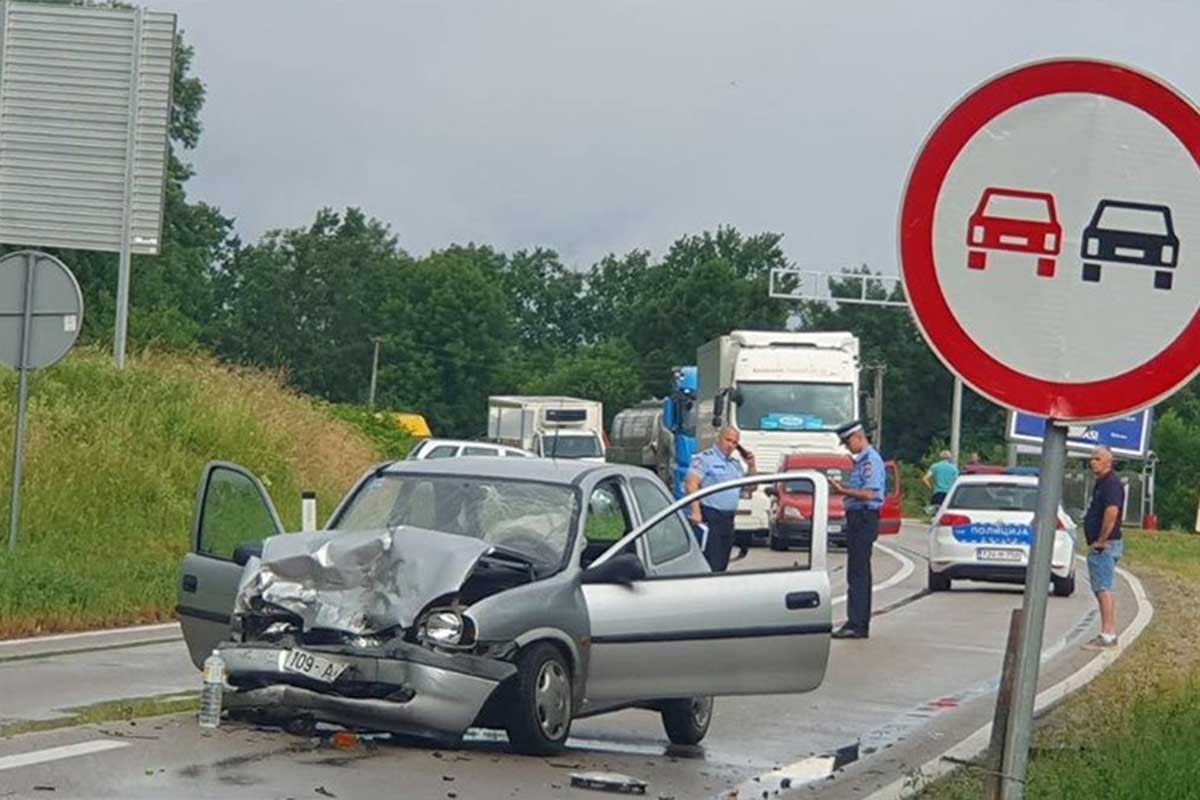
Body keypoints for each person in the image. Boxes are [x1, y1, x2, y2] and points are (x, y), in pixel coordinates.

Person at [828, 420, 885, 640]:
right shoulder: (861, 461)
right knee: (857, 572)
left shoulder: (870, 460)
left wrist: (844, 490)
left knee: (858, 573)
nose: (846, 447)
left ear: (857, 438)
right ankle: (857, 622)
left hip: (863, 516)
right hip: (858, 516)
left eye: (846, 442)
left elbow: (870, 493)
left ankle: (857, 624)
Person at [685, 426, 756, 572]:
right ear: (719, 439)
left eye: (735, 443)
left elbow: (750, 488)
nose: (730, 445)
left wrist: (751, 466)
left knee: (722, 564)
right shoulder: (705, 459)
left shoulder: (735, 465)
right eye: (728, 440)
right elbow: (691, 484)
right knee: (711, 564)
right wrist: (696, 511)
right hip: (710, 517)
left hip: (728, 520)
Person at [1082, 446, 1125, 650]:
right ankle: (1107, 632)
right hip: (1103, 543)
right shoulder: (1101, 483)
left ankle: (1108, 634)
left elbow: (1111, 512)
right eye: (1092, 458)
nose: (1093, 462)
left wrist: (1101, 539)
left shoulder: (1111, 484)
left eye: (1098, 458)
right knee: (1101, 587)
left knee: (1103, 587)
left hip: (1104, 545)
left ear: (1109, 461)